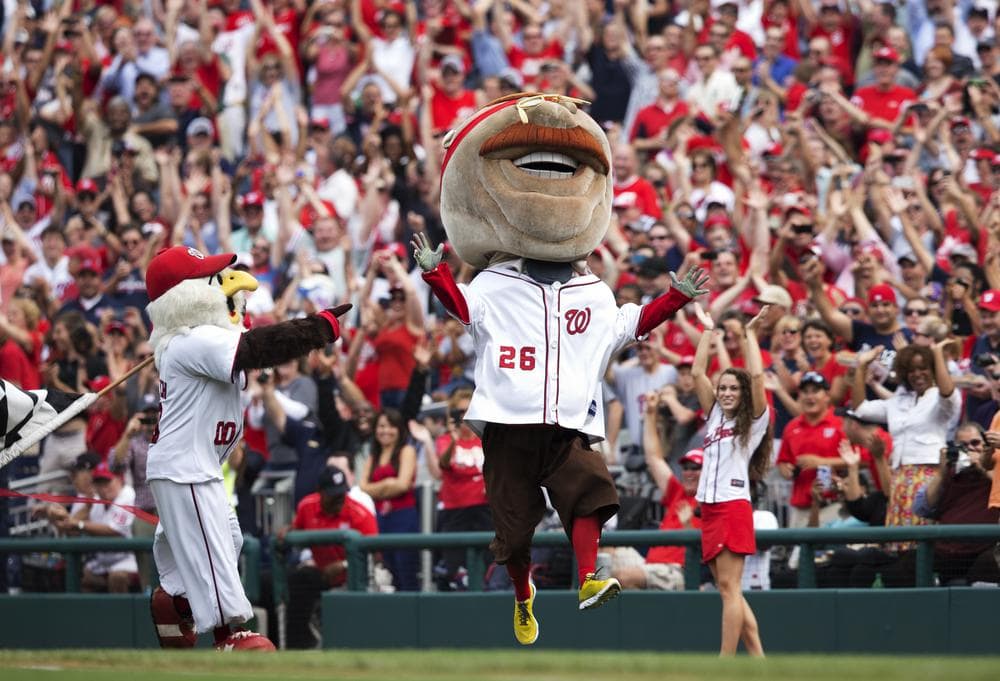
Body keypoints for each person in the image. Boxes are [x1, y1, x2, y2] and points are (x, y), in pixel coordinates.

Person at [411, 232, 708, 646]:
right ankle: (522, 595)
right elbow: (463, 308)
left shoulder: (593, 292)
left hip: (565, 426)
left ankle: (588, 579)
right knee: (514, 536)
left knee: (591, 489)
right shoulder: (496, 281)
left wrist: (675, 299)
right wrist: (436, 274)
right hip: (506, 427)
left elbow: (632, 324)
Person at [142, 246, 350, 650]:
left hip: (194, 464)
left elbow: (243, 345)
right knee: (215, 550)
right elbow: (256, 349)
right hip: (186, 466)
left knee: (228, 540)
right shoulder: (192, 339)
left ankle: (176, 603)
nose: (221, 283)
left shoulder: (190, 338)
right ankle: (230, 634)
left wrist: (234, 321)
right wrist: (315, 330)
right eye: (210, 278)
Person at [691, 302, 770, 657]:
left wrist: (750, 334)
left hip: (732, 504)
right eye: (722, 388)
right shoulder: (714, 416)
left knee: (729, 589)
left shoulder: (754, 421)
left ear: (743, 393)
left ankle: (725, 663)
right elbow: (697, 373)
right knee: (729, 590)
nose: (725, 393)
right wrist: (708, 330)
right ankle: (759, 662)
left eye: (733, 389)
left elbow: (757, 378)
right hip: (709, 507)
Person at [278, 466, 378, 648]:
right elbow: (296, 530)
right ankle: (298, 645)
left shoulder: (360, 514)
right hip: (323, 574)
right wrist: (288, 530)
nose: (339, 498)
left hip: (355, 578)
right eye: (333, 494)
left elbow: (375, 557)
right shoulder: (307, 506)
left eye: (342, 493)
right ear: (321, 492)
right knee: (295, 579)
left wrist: (345, 564)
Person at [612, 392, 702, 592]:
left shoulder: (712, 500)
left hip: (677, 571)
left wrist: (688, 524)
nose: (689, 472)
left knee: (624, 577)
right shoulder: (678, 492)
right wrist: (650, 414)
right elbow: (653, 458)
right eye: (686, 468)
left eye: (696, 468)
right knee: (603, 552)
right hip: (651, 565)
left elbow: (702, 553)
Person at [911, 422, 1000, 585]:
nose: (970, 449)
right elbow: (922, 508)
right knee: (906, 564)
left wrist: (981, 466)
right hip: (948, 549)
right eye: (963, 446)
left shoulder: (995, 469)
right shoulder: (950, 474)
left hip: (983, 549)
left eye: (975, 443)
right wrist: (942, 472)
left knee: (984, 567)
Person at [359, 409, 418, 592]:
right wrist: (388, 484)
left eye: (391, 426)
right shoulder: (373, 456)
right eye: (382, 426)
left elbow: (403, 484)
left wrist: (378, 489)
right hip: (379, 519)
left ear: (399, 429)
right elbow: (363, 487)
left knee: (405, 569)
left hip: (404, 517)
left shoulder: (407, 451)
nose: (386, 431)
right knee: (386, 570)